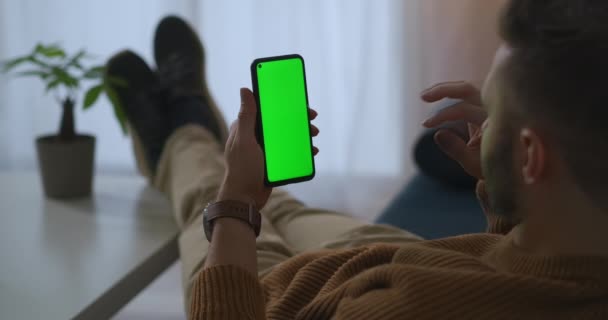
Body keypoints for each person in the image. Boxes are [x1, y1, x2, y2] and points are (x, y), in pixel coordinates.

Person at [107, 0, 608, 318]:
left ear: (530, 155)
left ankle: (183, 133)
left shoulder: (407, 309)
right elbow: (532, 282)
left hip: (268, 301)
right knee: (281, 203)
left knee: (211, 203)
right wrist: (513, 191)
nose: (479, 111)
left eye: (493, 107)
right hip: (404, 258)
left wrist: (235, 203)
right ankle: (198, 137)